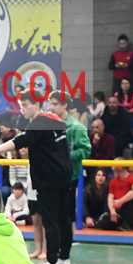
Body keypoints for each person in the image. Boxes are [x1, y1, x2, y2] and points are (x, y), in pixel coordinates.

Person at [0, 91, 72, 264]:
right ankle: (64, 260)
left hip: (48, 178)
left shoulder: (40, 122)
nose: (22, 110)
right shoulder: (56, 122)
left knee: (51, 220)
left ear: (36, 104)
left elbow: (20, 141)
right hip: (63, 176)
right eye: (21, 106)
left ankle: (52, 262)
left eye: (25, 106)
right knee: (63, 218)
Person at [48, 91, 91, 220]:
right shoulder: (47, 124)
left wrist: (64, 156)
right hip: (50, 176)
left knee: (65, 217)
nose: (51, 107)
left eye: (55, 104)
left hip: (68, 177)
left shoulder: (77, 127)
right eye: (50, 104)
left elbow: (85, 150)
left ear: (65, 105)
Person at [96, 163, 133, 230]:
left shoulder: (132, 178)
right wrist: (112, 211)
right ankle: (119, 224)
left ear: (121, 167)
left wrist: (120, 201)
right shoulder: (113, 181)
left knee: (131, 201)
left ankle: (126, 225)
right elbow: (110, 197)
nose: (113, 167)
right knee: (102, 223)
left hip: (128, 208)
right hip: (117, 208)